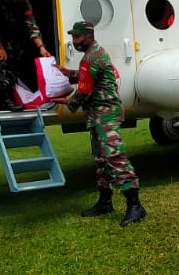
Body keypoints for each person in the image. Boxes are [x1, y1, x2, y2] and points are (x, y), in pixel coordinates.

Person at [60, 21, 145, 227]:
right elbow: (88, 77)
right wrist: (66, 72)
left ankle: (135, 206)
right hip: (99, 114)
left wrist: (64, 101)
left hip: (105, 114)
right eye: (73, 38)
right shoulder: (95, 54)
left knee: (114, 156)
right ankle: (105, 202)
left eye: (78, 37)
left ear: (88, 36)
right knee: (102, 159)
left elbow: (83, 91)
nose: (75, 42)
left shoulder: (91, 58)